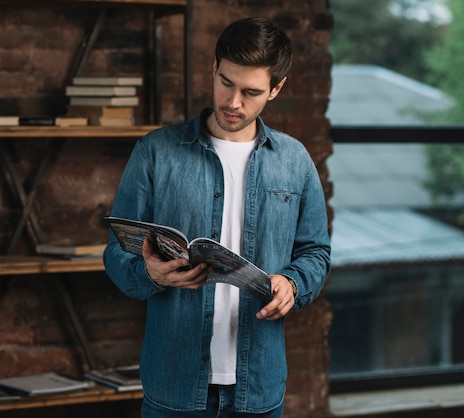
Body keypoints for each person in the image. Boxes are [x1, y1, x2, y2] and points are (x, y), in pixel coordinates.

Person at [103, 17, 331, 418]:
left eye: (251, 91)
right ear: (214, 68)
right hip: (173, 384)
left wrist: (291, 284)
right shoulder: (155, 152)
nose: (233, 102)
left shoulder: (295, 161)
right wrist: (149, 274)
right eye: (226, 82)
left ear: (276, 89)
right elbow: (115, 254)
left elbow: (316, 252)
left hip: (257, 387)